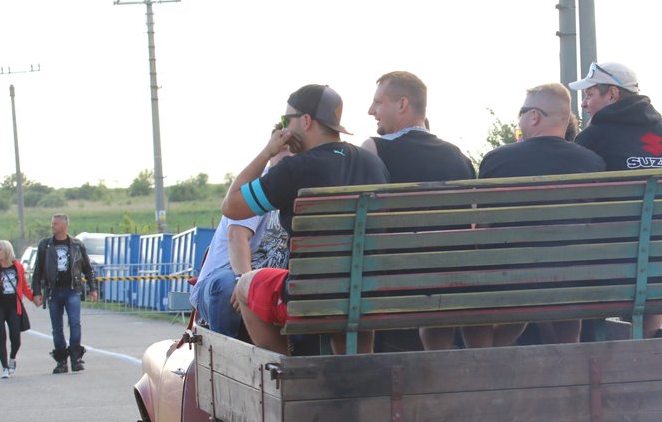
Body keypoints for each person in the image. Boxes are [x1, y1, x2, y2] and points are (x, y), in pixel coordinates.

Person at [225, 84, 390, 355]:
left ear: (305, 121)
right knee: (351, 293)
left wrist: (268, 151)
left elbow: (231, 206)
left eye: (285, 121)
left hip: (310, 295)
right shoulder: (372, 163)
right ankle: (360, 371)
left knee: (245, 285)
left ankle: (285, 373)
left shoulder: (295, 169)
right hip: (372, 293)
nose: (282, 129)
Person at [569, 62, 662, 336]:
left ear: (612, 94)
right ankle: (644, 342)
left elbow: (575, 212)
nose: (585, 105)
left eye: (589, 95)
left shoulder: (592, 139)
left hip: (611, 275)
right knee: (653, 266)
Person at [470, 82, 605, 347]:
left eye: (521, 111)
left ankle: (484, 365)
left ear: (534, 116)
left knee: (475, 287)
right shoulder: (593, 163)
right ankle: (570, 355)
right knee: (566, 276)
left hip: (506, 281)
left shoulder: (497, 160)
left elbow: (481, 228)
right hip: (574, 281)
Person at [362, 71, 476, 351]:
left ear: (402, 104)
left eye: (378, 102)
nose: (371, 111)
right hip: (453, 284)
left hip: (392, 284)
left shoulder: (373, 148)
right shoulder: (459, 156)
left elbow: (365, 224)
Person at [191, 152, 291, 337]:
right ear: (272, 152)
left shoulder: (301, 187)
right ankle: (226, 357)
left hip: (268, 284)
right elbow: (236, 236)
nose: (289, 154)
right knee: (227, 285)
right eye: (284, 148)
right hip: (231, 276)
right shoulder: (259, 186)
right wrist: (244, 281)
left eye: (295, 148)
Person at [30, 213, 98, 373]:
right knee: (57, 327)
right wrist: (36, 292)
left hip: (72, 290)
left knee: (74, 323)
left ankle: (76, 357)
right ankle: (61, 360)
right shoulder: (45, 245)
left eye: (56, 224)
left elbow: (87, 268)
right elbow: (37, 271)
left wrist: (92, 288)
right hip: (53, 290)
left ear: (64, 226)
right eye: (52, 223)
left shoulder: (77, 245)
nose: (52, 226)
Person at [0, 240, 33, 378]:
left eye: (0, 250)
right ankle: (4, 367)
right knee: (1, 336)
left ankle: (12, 358)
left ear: (7, 251)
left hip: (13, 306)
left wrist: (34, 298)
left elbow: (24, 287)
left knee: (16, 338)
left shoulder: (18, 267)